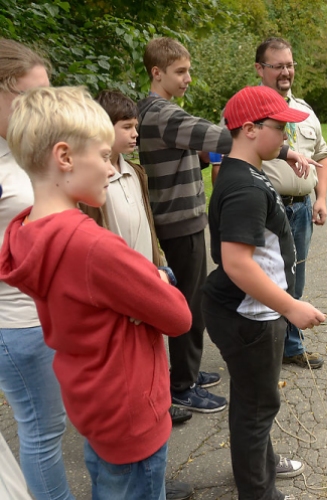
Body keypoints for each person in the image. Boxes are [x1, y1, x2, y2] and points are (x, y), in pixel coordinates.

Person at [0, 85, 193, 499]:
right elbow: (178, 317)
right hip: (132, 419)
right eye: (104, 156)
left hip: (95, 407)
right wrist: (154, 281)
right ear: (65, 157)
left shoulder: (26, 233)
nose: (111, 169)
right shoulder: (92, 248)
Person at [138, 37, 315, 413]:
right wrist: (283, 149)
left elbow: (200, 152)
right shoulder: (161, 114)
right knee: (187, 302)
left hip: (184, 217)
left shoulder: (163, 112)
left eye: (188, 70)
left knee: (192, 296)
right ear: (157, 73)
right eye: (180, 71)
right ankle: (183, 384)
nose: (188, 78)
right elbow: (221, 137)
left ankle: (188, 370)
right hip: (177, 220)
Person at [202, 85, 325, 500]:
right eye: (281, 131)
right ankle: (258, 492)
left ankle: (261, 467)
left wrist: (286, 152)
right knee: (257, 407)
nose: (287, 140)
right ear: (251, 129)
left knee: (255, 400)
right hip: (250, 315)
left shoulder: (245, 168)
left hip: (256, 309)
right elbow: (236, 263)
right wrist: (292, 308)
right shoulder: (245, 187)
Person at [80, 89, 193, 500]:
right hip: (123, 299)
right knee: (130, 389)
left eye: (135, 126)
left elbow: (148, 226)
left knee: (154, 371)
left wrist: (160, 264)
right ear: (100, 130)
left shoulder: (137, 172)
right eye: (126, 126)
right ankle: (140, 473)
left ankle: (153, 472)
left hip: (151, 283)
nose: (135, 133)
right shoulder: (93, 185)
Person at [0, 38, 74, 500]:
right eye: (29, 98)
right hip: (18, 321)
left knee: (52, 426)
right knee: (43, 432)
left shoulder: (18, 149)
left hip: (44, 312)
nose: (40, 110)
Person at [255, 37, 327, 370]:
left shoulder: (305, 110)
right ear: (260, 69)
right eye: (278, 66)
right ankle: (259, 347)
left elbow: (323, 157)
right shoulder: (250, 106)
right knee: (263, 277)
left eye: (290, 65)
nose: (285, 72)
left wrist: (322, 198)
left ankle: (290, 345)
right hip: (266, 207)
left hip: (301, 209)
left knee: (295, 277)